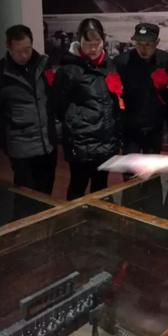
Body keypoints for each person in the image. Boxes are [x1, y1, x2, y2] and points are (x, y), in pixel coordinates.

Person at [0, 25, 57, 194]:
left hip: (47, 144)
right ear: (8, 48)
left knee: (47, 192)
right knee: (26, 194)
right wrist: (11, 132)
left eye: (27, 49)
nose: (24, 55)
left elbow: (50, 96)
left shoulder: (43, 63)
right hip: (21, 147)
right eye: (18, 51)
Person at [53, 18, 123, 200]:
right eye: (88, 43)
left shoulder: (109, 65)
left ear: (103, 41)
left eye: (97, 43)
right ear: (79, 40)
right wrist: (75, 126)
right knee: (78, 188)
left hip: (105, 142)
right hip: (81, 143)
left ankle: (98, 219)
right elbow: (58, 106)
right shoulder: (68, 71)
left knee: (101, 189)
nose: (93, 49)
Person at [114, 23, 168, 180]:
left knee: (152, 174)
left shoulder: (166, 61)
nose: (143, 49)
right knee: (130, 175)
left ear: (157, 42)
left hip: (154, 127)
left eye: (148, 44)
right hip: (130, 128)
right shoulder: (122, 62)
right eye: (139, 44)